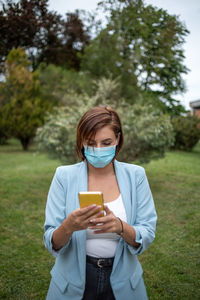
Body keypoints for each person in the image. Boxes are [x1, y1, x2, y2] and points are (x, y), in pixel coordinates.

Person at [44, 106, 157, 300]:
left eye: (106, 143)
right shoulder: (63, 176)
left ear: (118, 140)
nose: (98, 150)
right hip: (70, 283)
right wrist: (68, 227)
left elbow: (147, 233)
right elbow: (51, 240)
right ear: (81, 142)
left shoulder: (136, 175)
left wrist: (120, 227)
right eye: (90, 143)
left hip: (124, 282)